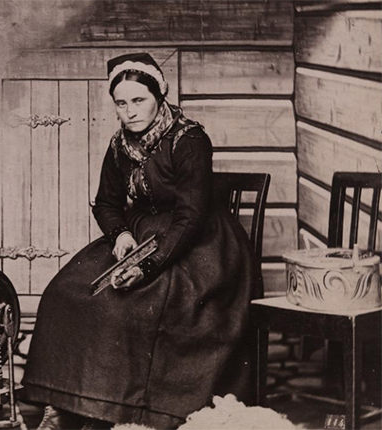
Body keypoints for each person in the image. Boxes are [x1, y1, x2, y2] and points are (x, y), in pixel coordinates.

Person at [21, 53, 261, 430]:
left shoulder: (189, 139)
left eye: (139, 100)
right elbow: (106, 202)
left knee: (127, 306)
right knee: (64, 293)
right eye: (121, 103)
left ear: (159, 96)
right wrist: (121, 234)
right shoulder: (120, 144)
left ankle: (115, 409)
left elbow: (191, 217)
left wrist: (147, 266)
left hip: (199, 246)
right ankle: (66, 403)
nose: (130, 111)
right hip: (141, 237)